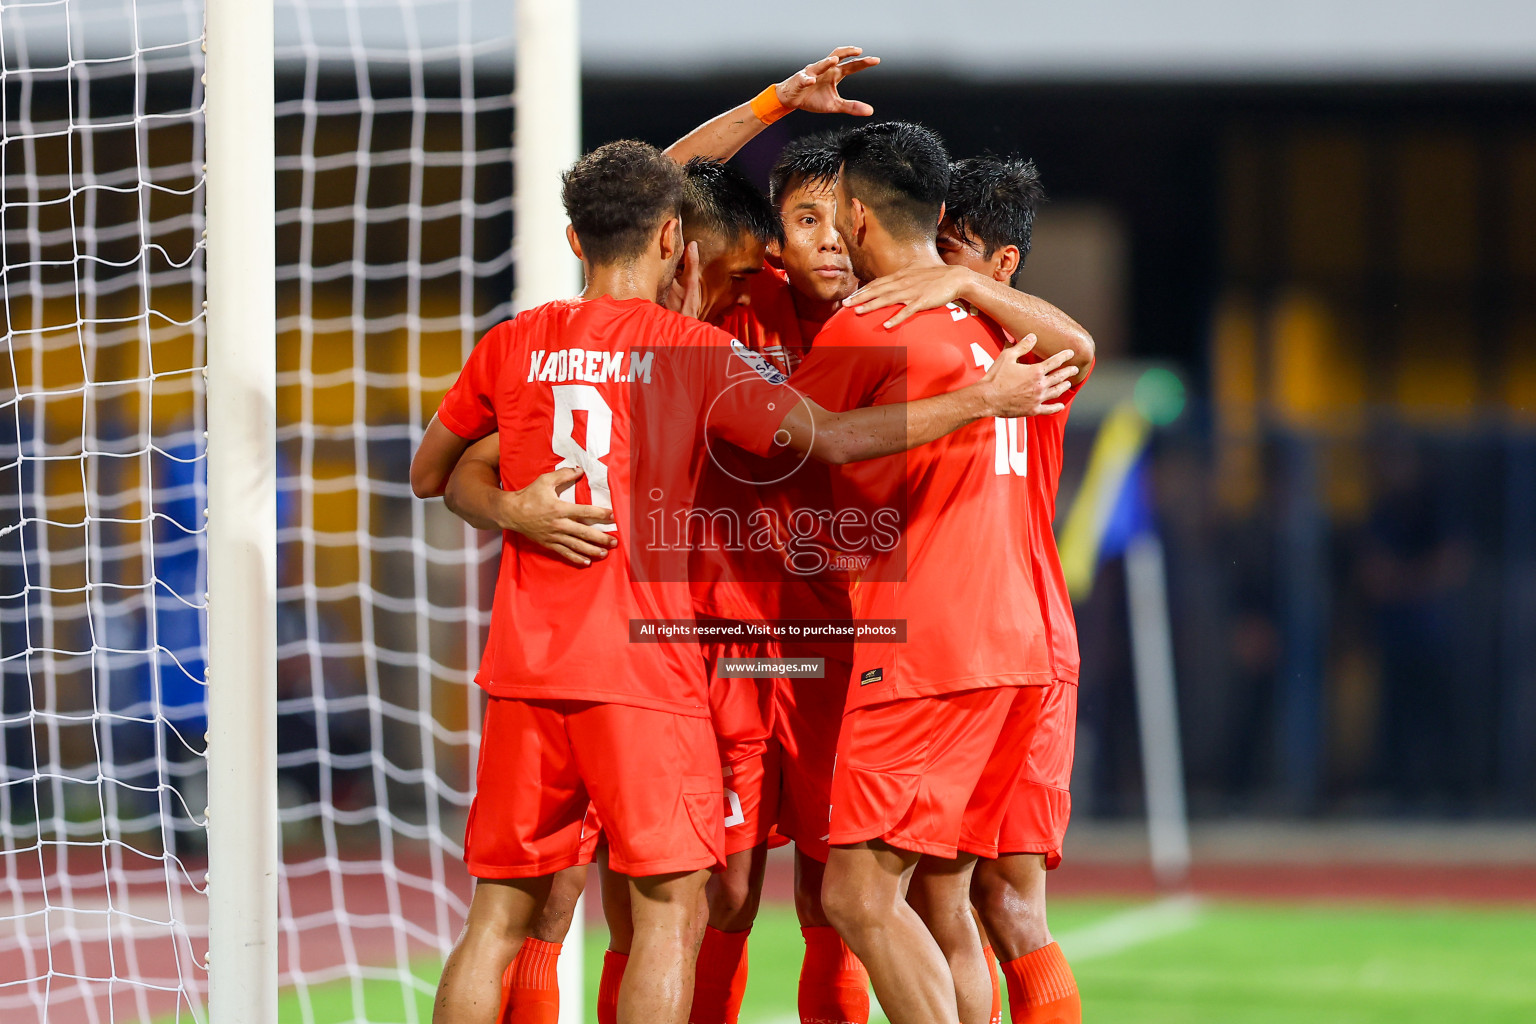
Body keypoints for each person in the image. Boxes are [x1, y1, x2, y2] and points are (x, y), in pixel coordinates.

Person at [412, 138, 1079, 1024]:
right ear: (737, 246)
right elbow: (666, 194)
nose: (830, 239)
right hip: (702, 656)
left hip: (842, 646)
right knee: (680, 902)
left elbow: (446, 465)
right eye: (806, 220)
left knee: (867, 901)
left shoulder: (530, 342)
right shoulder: (714, 331)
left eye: (837, 216)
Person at [787, 121, 1076, 1024]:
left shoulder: (867, 324)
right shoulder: (1003, 328)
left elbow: (799, 438)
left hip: (930, 648)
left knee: (857, 900)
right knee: (951, 901)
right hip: (1019, 644)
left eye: (834, 220)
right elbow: (1086, 348)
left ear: (860, 219)